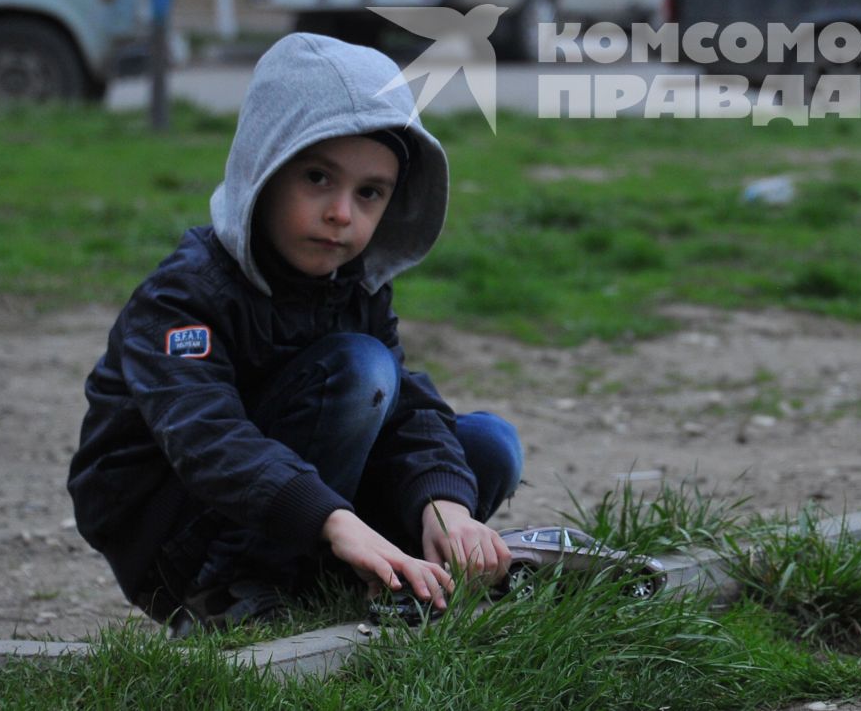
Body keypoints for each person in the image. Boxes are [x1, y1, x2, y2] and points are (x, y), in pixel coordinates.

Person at [67, 33, 522, 636]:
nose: (342, 213)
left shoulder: (352, 287)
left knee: (485, 447)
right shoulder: (184, 295)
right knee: (360, 371)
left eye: (369, 193)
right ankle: (229, 599)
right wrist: (333, 518)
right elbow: (208, 438)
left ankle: (378, 576)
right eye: (317, 178)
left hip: (299, 515)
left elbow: (408, 412)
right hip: (180, 541)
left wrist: (446, 507)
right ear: (265, 167)